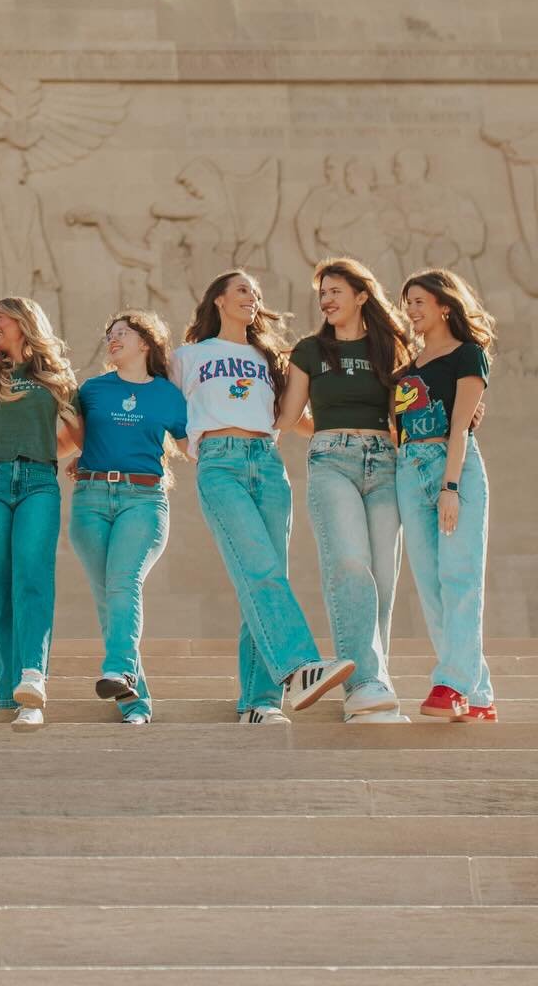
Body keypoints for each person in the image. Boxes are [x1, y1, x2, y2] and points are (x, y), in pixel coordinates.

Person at [173, 271, 353, 724]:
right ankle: (299, 667)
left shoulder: (269, 357)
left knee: (268, 577)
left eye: (255, 292)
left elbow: (298, 417)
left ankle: (260, 703)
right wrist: (196, 448)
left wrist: (362, 427)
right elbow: (165, 413)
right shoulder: (189, 356)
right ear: (217, 299)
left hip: (268, 464)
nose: (252, 298)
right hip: (221, 463)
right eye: (241, 290)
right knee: (258, 568)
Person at [277, 258, 411, 725]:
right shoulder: (311, 350)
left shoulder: (391, 349)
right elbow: (289, 418)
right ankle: (362, 686)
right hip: (331, 458)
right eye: (323, 294)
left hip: (386, 462)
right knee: (350, 566)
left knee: (382, 578)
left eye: (336, 291)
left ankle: (376, 681)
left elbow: (404, 416)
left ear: (361, 296)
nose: (327, 300)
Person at [0, 297, 77, 730]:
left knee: (33, 579)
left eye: (0, 319)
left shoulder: (54, 379)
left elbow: (78, 435)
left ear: (24, 323)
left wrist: (49, 454)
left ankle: (33, 677)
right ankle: (9, 692)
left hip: (38, 484)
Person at [67, 310, 188, 726]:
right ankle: (134, 700)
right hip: (91, 498)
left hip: (144, 497)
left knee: (123, 582)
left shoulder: (168, 395)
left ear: (145, 343)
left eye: (123, 333)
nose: (113, 339)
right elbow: (72, 437)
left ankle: (119, 669)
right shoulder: (93, 390)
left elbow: (194, 446)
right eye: (110, 334)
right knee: (110, 600)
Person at [396, 269, 495, 721]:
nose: (412, 311)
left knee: (459, 577)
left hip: (453, 469)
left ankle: (450, 684)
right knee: (431, 586)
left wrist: (450, 487)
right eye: (408, 303)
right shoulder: (407, 368)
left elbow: (459, 427)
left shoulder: (468, 355)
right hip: (408, 470)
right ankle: (478, 694)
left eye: (419, 302)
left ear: (444, 306)